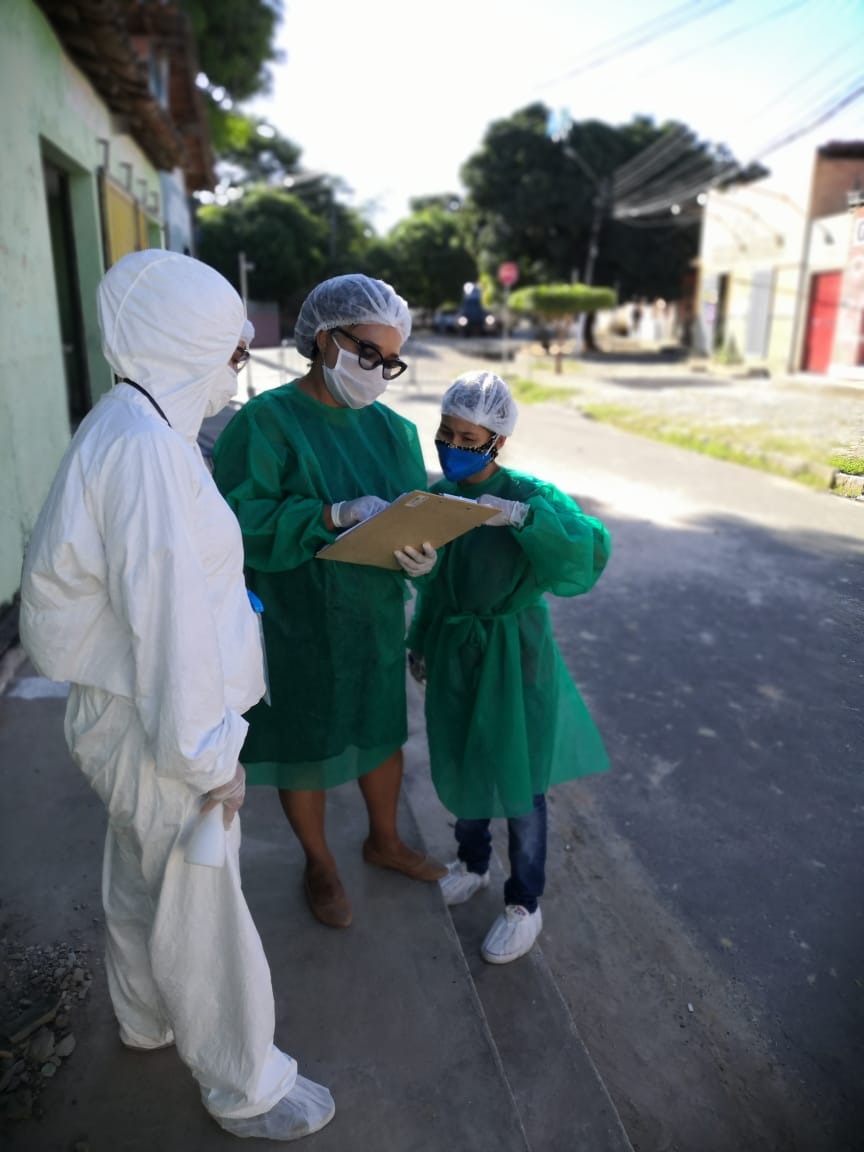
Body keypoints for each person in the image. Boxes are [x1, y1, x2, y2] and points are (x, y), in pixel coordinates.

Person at [19, 249, 335, 1141]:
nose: (236, 370)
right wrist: (209, 758)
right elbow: (171, 621)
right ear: (180, 345)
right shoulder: (144, 452)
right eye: (229, 352)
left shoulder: (135, 425)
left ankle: (145, 1016)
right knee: (201, 899)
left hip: (128, 710)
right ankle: (247, 1083)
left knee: (140, 875)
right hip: (156, 721)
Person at [212, 273, 445, 931]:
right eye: (366, 352)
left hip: (370, 613)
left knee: (381, 733)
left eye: (390, 362)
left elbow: (411, 512)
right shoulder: (265, 423)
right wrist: (330, 513)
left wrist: (424, 555)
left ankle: (386, 840)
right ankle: (318, 862)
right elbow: (237, 519)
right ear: (323, 338)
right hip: (294, 617)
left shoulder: (396, 434)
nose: (377, 371)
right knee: (305, 743)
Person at [406, 370, 611, 964]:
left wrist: (524, 520)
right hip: (457, 650)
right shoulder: (440, 498)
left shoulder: (529, 494)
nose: (453, 445)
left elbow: (588, 550)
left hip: (516, 655)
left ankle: (524, 900)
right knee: (467, 759)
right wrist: (420, 638)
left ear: (497, 440)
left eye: (469, 437)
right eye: (447, 432)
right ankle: (471, 863)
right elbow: (438, 589)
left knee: (520, 783)